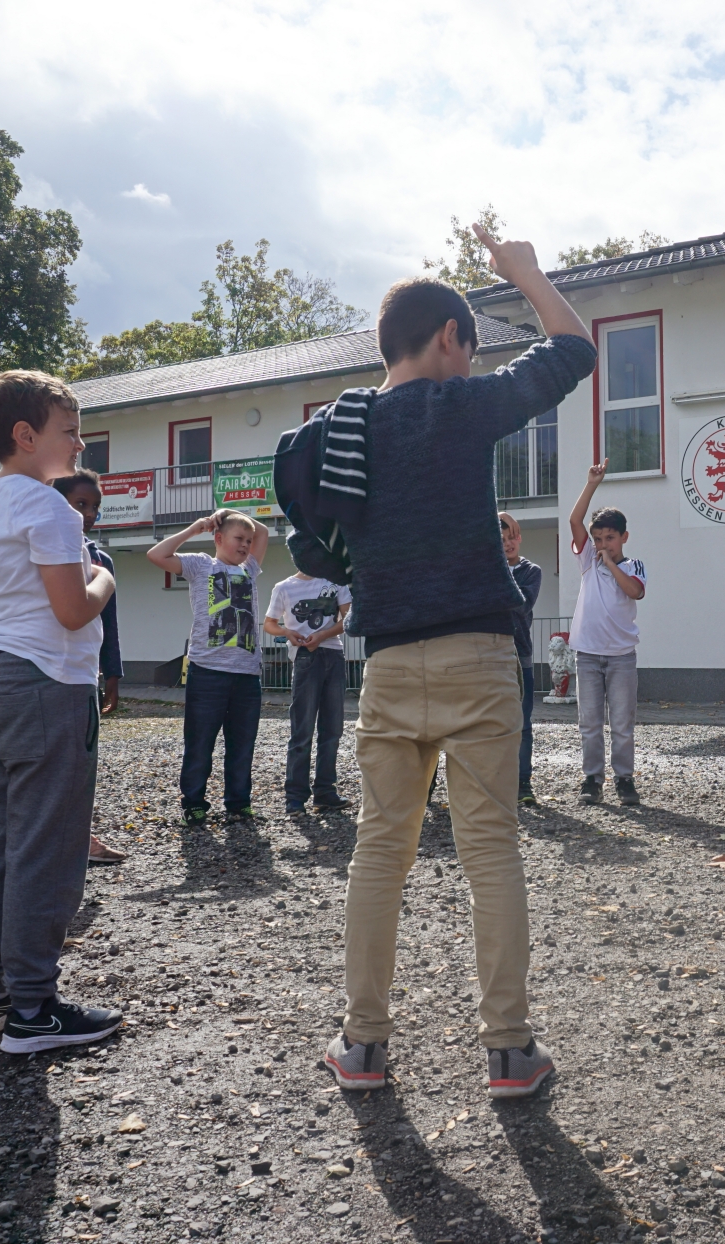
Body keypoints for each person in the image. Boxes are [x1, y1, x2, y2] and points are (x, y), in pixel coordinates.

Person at [303, 227, 593, 1099]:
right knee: (490, 850)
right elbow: (572, 348)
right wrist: (524, 272)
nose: (469, 363)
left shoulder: (342, 425)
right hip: (477, 655)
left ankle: (362, 1046)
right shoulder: (462, 407)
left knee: (378, 851)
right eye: (467, 348)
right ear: (448, 338)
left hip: (389, 663)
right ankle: (509, 1052)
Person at [0, 369, 122, 1052]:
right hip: (48, 682)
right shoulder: (50, 509)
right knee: (47, 848)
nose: (80, 444)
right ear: (26, 435)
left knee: (1, 841)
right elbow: (74, 609)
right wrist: (104, 576)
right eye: (70, 431)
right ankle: (33, 1007)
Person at [148, 508, 270, 825]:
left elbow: (264, 533)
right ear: (218, 538)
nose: (245, 545)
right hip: (207, 673)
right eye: (238, 538)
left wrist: (231, 512)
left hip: (247, 675)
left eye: (247, 541)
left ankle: (239, 803)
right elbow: (157, 554)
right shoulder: (201, 565)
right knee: (200, 742)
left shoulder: (250, 567)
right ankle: (193, 803)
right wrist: (195, 528)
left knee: (242, 745)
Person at [53, 470, 130, 865]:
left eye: (95, 506)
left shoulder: (101, 559)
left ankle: (79, 836)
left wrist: (112, 673)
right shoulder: (46, 546)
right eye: (80, 504)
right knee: (54, 762)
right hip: (49, 669)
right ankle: (62, 840)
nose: (89, 514)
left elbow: (108, 622)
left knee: (81, 760)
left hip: (86, 673)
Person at [566, 466, 647, 806]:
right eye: (598, 539)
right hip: (587, 655)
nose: (602, 545)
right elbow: (574, 520)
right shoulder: (588, 561)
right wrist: (591, 484)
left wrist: (611, 564)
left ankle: (624, 779)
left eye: (609, 538)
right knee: (590, 723)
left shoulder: (633, 566)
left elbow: (634, 591)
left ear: (624, 537)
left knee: (622, 722)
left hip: (621, 657)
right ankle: (592, 779)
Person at [263, 568, 353, 816]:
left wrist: (323, 634)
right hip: (304, 656)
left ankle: (325, 793)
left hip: (334, 654)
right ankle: (295, 797)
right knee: (302, 729)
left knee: (332, 729)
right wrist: (286, 632)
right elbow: (269, 623)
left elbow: (349, 618)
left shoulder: (336, 581)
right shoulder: (284, 587)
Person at [500, 511, 543, 805]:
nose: (508, 543)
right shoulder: (487, 567)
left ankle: (523, 781)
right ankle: (497, 781)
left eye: (512, 536)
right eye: (501, 539)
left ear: (520, 537)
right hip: (491, 655)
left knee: (523, 723)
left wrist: (497, 575)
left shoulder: (531, 571)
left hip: (521, 655)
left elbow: (521, 604)